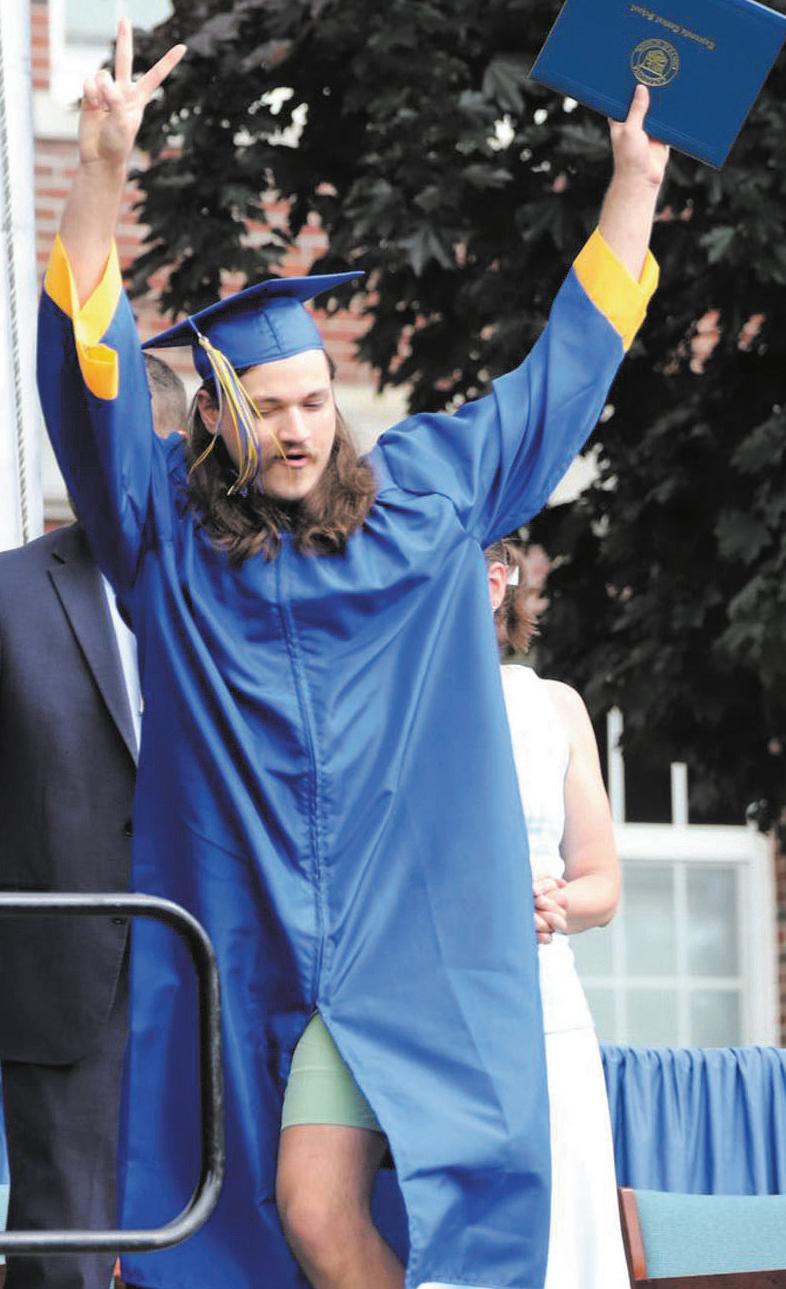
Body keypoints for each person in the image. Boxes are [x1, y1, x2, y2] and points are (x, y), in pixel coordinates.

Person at [36, 19, 667, 1289]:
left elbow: (561, 376)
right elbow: (87, 386)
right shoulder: (165, 537)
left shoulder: (427, 499)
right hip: (249, 931)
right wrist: (101, 168)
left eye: (315, 401)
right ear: (216, 417)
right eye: (267, 408)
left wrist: (635, 185)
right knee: (291, 1220)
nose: (297, 429)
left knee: (328, 1212)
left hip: (411, 939)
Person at [0, 353, 186, 1289]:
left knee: (212, 1243)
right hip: (64, 982)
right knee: (64, 1251)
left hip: (215, 975)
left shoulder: (237, 590)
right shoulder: (7, 595)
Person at [485, 540, 629, 1289]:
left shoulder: (555, 706)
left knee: (566, 1244)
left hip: (547, 1007)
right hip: (432, 1011)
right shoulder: (388, 696)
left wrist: (553, 903)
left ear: (495, 582)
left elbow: (601, 882)